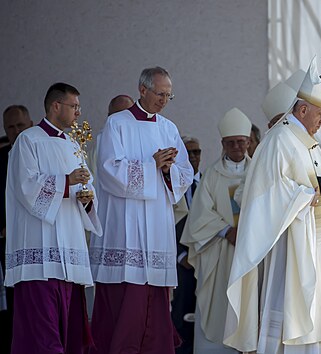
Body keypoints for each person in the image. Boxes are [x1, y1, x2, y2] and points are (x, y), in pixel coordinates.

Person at [223, 58, 321, 352]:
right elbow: (268, 190)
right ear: (303, 109)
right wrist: (302, 196)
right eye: (320, 114)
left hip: (320, 241)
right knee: (293, 310)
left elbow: (317, 185)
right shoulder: (279, 139)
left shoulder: (307, 141)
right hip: (294, 242)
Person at [89, 67, 194, 354]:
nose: (164, 100)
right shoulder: (117, 124)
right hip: (127, 227)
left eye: (168, 95)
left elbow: (185, 173)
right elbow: (109, 170)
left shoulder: (168, 128)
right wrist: (152, 166)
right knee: (127, 305)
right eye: (160, 94)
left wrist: (170, 170)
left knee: (155, 306)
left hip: (157, 224)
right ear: (143, 90)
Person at [5, 82, 102, 353]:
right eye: (74, 107)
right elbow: (27, 188)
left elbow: (86, 186)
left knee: (68, 334)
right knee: (42, 334)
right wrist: (67, 182)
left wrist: (87, 198)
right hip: (41, 251)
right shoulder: (29, 140)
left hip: (68, 250)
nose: (78, 113)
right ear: (56, 106)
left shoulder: (73, 144)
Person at [180, 108, 251, 353]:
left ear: (249, 142)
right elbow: (200, 215)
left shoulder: (259, 172)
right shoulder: (211, 175)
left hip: (251, 252)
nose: (236, 147)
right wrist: (225, 231)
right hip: (220, 253)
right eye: (230, 142)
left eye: (241, 142)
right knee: (218, 305)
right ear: (222, 143)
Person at [1, 104, 32, 354]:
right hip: (9, 241)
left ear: (30, 125)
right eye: (10, 127)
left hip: (39, 240)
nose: (15, 131)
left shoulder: (44, 154)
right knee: (13, 301)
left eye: (20, 125)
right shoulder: (1, 159)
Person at [171, 135, 203, 354]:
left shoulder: (210, 182)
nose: (192, 157)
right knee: (181, 313)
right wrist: (180, 256)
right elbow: (166, 222)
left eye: (196, 152)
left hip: (206, 259)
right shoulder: (172, 185)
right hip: (181, 262)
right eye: (188, 152)